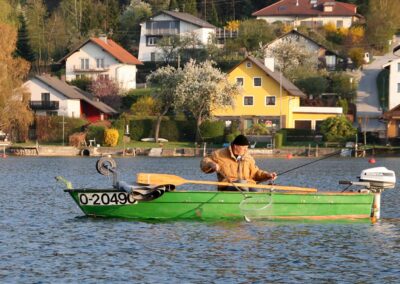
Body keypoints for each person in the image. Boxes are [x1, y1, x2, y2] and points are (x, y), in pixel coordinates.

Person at [200, 134, 277, 191]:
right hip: (228, 186)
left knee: (257, 189)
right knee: (241, 183)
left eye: (247, 148)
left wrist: (267, 175)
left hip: (247, 184)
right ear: (236, 146)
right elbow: (204, 162)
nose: (246, 150)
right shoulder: (219, 154)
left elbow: (255, 173)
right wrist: (211, 164)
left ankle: (254, 208)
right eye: (244, 148)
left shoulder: (248, 157)